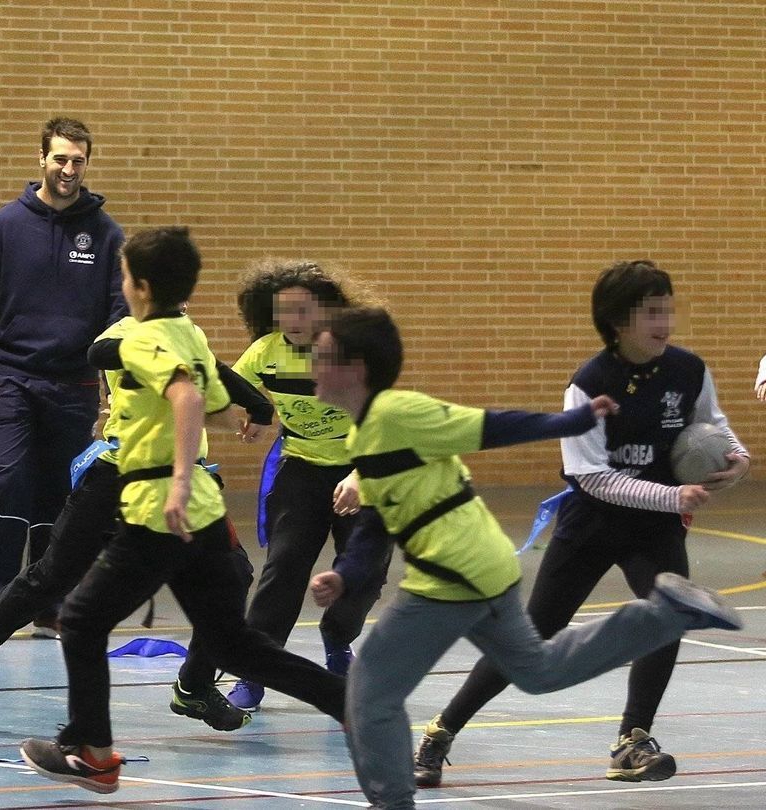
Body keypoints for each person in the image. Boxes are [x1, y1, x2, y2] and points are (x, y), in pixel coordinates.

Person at [304, 306, 745, 810]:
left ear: (355, 368)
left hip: (451, 575)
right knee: (538, 670)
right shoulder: (367, 434)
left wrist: (574, 420)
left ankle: (392, 803)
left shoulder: (398, 413)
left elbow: (494, 426)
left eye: (321, 358)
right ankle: (667, 611)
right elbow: (378, 521)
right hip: (483, 568)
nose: (310, 368)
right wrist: (345, 574)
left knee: (369, 690)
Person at [18, 227, 349, 796]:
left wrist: (172, 482)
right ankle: (356, 707)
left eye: (124, 275)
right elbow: (223, 408)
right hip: (205, 509)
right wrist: (246, 421)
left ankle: (93, 753)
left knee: (79, 618)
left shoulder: (148, 339)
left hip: (158, 512)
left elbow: (190, 399)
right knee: (238, 644)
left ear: (140, 287)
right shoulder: (190, 337)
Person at [0, 310, 339, 733]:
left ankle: (193, 687)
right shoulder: (123, 335)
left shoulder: (190, 335)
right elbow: (111, 358)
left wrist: (253, 406)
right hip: (119, 475)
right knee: (47, 580)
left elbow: (220, 409)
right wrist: (228, 395)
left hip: (184, 479)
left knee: (235, 575)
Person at [413, 260, 751, 788]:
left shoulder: (688, 371)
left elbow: (713, 426)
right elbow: (590, 476)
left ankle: (632, 740)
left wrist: (736, 458)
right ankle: (441, 731)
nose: (665, 323)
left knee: (669, 616)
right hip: (592, 523)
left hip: (654, 527)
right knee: (536, 633)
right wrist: (673, 494)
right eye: (651, 314)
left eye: (668, 310)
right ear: (618, 322)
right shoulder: (590, 383)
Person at [186, 260, 391, 714]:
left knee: (364, 572)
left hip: (362, 466)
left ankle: (337, 641)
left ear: (327, 312)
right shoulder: (265, 351)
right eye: (283, 313)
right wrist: (248, 416)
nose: (291, 322)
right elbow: (228, 393)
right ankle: (255, 671)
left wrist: (360, 476)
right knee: (283, 569)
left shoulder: (355, 350)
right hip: (300, 468)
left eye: (302, 311)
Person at [0, 117, 127, 623]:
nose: (69, 169)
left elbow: (120, 313)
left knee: (64, 499)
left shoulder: (106, 233)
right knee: (8, 486)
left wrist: (112, 377)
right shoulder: (3, 225)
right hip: (9, 378)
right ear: (41, 159)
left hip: (72, 385)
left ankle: (50, 603)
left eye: (78, 161)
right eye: (60, 159)